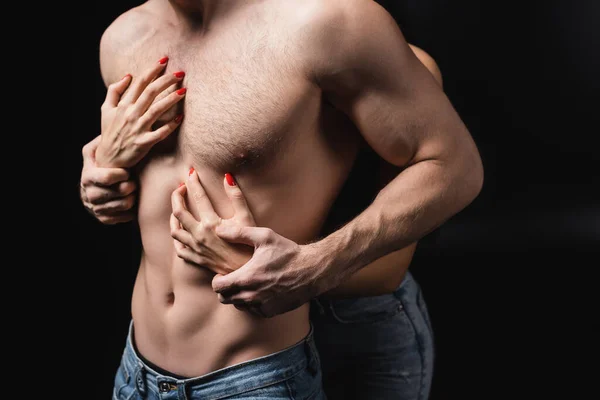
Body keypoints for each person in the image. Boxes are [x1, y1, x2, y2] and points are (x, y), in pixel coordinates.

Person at [80, 0, 483, 399]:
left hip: (286, 359)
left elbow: (439, 187)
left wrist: (304, 271)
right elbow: (159, 187)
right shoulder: (124, 36)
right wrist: (105, 175)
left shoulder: (335, 27)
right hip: (138, 372)